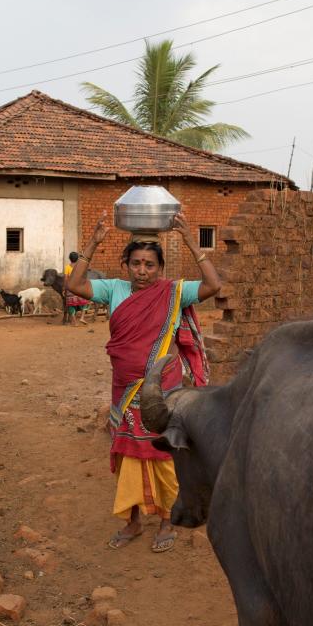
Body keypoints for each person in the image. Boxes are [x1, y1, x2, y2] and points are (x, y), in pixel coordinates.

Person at [66, 212, 221, 553]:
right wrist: (93, 243)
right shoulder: (114, 289)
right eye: (136, 263)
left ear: (160, 269)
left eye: (150, 265)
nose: (142, 271)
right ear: (126, 265)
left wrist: (192, 244)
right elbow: (75, 286)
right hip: (124, 389)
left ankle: (167, 519)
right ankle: (133, 520)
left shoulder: (174, 292)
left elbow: (213, 286)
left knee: (162, 454)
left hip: (161, 392)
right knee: (127, 456)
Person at [64, 251, 92, 325]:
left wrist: (65, 288)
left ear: (69, 259)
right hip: (79, 288)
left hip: (71, 289)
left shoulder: (67, 267)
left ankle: (75, 322)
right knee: (85, 302)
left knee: (71, 304)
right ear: (77, 259)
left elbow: (66, 279)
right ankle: (82, 317)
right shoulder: (80, 267)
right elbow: (85, 274)